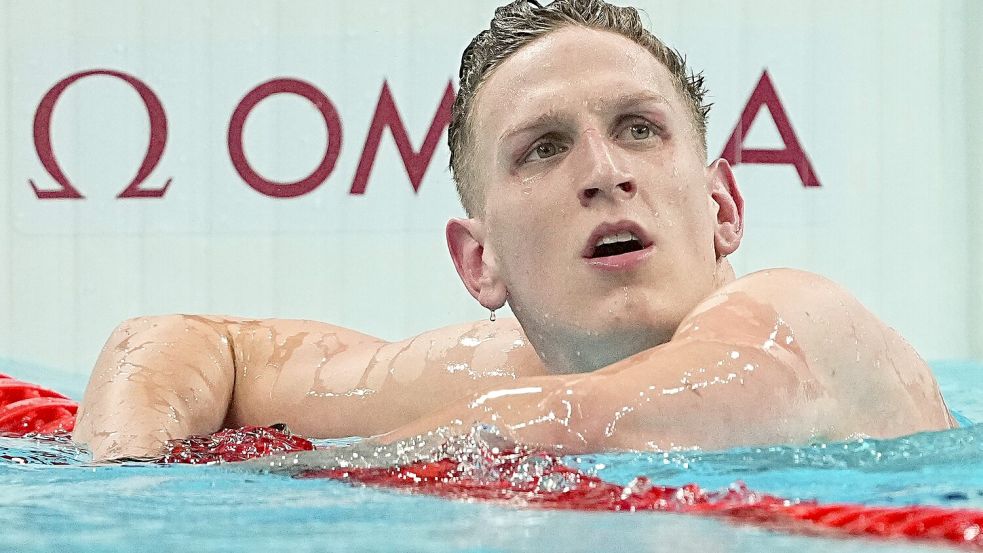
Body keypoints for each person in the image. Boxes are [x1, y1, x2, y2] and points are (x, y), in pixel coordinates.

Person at [73, 0, 955, 461]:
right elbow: (180, 343)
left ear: (722, 208)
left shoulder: (800, 317)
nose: (605, 170)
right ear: (479, 261)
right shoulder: (497, 374)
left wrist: (257, 481)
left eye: (639, 129)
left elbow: (597, 424)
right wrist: (128, 471)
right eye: (543, 148)